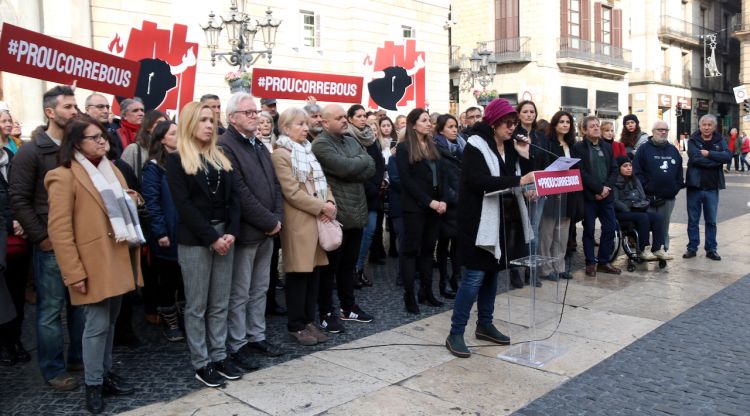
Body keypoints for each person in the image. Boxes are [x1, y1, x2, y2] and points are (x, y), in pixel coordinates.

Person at [45, 114, 144, 414]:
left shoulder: (111, 169)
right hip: (93, 262)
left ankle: (105, 374)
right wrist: (74, 272)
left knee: (111, 321)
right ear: (77, 142)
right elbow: (60, 231)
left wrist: (133, 199)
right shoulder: (63, 175)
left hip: (119, 254)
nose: (103, 141)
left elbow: (128, 200)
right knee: (96, 325)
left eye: (103, 136)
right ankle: (93, 385)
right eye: (95, 137)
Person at [445, 98, 535, 358]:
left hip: (502, 221)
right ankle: (455, 333)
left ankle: (485, 324)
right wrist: (520, 179)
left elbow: (520, 176)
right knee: (473, 278)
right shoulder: (475, 144)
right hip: (478, 222)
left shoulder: (508, 145)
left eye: (514, 123)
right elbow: (479, 181)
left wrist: (525, 160)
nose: (512, 128)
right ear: (494, 122)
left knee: (493, 275)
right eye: (508, 123)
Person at [9, 85, 84, 391]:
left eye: (75, 105)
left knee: (81, 303)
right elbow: (18, 198)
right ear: (50, 112)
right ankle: (53, 369)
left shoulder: (78, 145)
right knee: (50, 309)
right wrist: (41, 237)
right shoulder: (30, 151)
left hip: (80, 239)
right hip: (51, 243)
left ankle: (78, 356)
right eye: (68, 107)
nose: (74, 111)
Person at [166, 102, 243, 387]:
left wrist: (231, 233)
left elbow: (234, 199)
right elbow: (183, 206)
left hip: (225, 235)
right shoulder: (176, 160)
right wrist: (212, 238)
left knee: (220, 302)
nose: (210, 125)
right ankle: (202, 361)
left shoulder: (221, 157)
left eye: (212, 120)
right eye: (203, 120)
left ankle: (220, 355)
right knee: (197, 305)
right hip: (197, 239)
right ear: (189, 124)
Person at [218, 93, 284, 367]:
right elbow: (239, 192)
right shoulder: (225, 146)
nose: (254, 116)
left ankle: (256, 335)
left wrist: (277, 216)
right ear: (232, 117)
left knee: (260, 288)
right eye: (248, 112)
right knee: (240, 292)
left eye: (255, 112)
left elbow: (275, 184)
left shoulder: (258, 144)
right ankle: (237, 343)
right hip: (246, 231)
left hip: (268, 229)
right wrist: (269, 221)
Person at [271, 107, 334, 346]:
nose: (306, 128)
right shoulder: (281, 154)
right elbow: (291, 192)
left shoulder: (307, 151)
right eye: (300, 124)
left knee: (314, 274)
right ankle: (296, 324)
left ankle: (308, 320)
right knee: (298, 275)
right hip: (298, 222)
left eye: (306, 124)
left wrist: (329, 201)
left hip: (317, 219)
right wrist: (322, 206)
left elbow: (322, 182)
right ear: (286, 128)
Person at [312, 104, 375, 331]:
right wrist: (356, 165)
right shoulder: (320, 144)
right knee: (330, 268)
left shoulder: (350, 140)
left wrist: (355, 165)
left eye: (343, 117)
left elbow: (371, 166)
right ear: (325, 123)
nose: (344, 121)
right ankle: (326, 311)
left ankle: (348, 307)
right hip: (336, 214)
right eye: (338, 118)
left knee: (348, 266)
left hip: (357, 211)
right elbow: (345, 167)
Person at [396, 108, 448, 313]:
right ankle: (409, 295)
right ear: (413, 124)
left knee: (428, 251)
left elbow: (441, 177)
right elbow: (407, 182)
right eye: (424, 120)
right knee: (411, 251)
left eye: (429, 121)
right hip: (415, 208)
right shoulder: (404, 148)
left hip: (435, 207)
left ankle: (426, 292)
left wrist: (442, 200)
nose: (429, 124)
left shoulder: (433, 146)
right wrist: (429, 202)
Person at [141, 120, 185, 342]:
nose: (178, 136)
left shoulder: (186, 161)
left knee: (185, 281)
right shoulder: (153, 167)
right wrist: (160, 232)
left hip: (187, 232)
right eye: (174, 133)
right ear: (161, 139)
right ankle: (170, 322)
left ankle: (184, 318)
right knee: (168, 280)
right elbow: (152, 203)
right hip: (168, 233)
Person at [572, 116, 621, 277]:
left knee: (610, 228)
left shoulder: (606, 147)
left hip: (606, 197)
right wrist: (598, 190)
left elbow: (614, 169)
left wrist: (606, 188)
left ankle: (603, 261)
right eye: (592, 126)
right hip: (589, 197)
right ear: (584, 130)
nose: (596, 128)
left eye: (597, 126)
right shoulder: (578, 148)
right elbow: (581, 172)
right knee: (589, 230)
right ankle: (590, 263)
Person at [537, 111, 582, 281]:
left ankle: (559, 266)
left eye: (568, 122)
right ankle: (546, 269)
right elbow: (543, 166)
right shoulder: (547, 143)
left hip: (568, 193)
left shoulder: (572, 144)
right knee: (547, 234)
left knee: (562, 235)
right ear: (554, 124)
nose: (565, 125)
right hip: (551, 192)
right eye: (561, 122)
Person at [683, 114, 732, 261]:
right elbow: (695, 158)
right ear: (700, 126)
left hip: (712, 188)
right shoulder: (692, 140)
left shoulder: (719, 140)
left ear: (714, 127)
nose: (706, 127)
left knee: (711, 221)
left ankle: (711, 249)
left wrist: (709, 153)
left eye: (709, 125)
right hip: (694, 187)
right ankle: (692, 248)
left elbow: (728, 157)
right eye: (704, 124)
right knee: (693, 220)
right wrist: (716, 160)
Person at [633, 121, 684, 254]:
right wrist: (646, 188)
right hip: (648, 198)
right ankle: (643, 251)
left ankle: (662, 250)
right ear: (653, 131)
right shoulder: (644, 149)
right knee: (645, 225)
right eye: (660, 130)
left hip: (668, 198)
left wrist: (675, 187)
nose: (663, 132)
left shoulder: (673, 150)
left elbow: (679, 172)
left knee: (663, 227)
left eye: (666, 130)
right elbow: (637, 172)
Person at [348, 105, 384, 288]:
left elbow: (379, 162)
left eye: (364, 116)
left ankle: (359, 268)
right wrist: (370, 184)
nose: (363, 119)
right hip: (357, 192)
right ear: (350, 119)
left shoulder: (370, 137)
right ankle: (352, 271)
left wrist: (377, 182)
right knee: (357, 235)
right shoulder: (348, 137)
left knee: (369, 232)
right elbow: (354, 167)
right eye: (359, 116)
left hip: (373, 193)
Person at [612, 156, 671, 261]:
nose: (629, 168)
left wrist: (642, 203)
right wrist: (628, 208)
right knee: (643, 217)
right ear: (619, 168)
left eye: (630, 165)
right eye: (625, 166)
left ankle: (658, 249)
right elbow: (615, 201)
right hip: (622, 213)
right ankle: (644, 249)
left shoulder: (635, 180)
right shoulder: (615, 181)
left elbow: (642, 197)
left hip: (636, 210)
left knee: (657, 217)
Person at [433, 114, 464, 298]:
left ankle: (456, 277)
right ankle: (443, 281)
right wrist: (451, 197)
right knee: (444, 244)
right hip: (447, 203)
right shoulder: (437, 148)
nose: (454, 130)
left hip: (461, 203)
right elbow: (441, 179)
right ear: (441, 130)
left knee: (458, 245)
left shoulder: (461, 147)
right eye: (450, 127)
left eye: (456, 126)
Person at [121, 110, 168, 178]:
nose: (163, 127)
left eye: (165, 123)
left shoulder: (168, 148)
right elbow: (123, 177)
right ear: (148, 127)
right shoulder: (133, 149)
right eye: (159, 123)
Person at [85, 94, 123, 158]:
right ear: (87, 109)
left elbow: (118, 156)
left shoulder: (113, 131)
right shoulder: (78, 129)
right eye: (100, 107)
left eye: (107, 107)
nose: (106, 111)